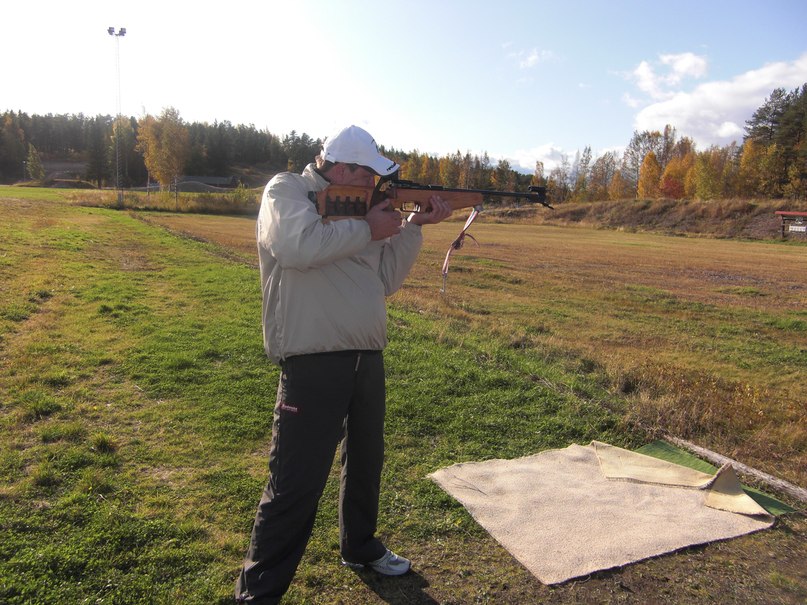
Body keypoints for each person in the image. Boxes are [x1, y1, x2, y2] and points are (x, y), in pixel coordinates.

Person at [235, 125, 452, 604]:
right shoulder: (287, 189)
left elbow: (384, 280)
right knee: (294, 484)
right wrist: (366, 228)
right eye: (368, 174)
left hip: (366, 355)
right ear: (344, 168)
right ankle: (257, 595)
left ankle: (361, 546)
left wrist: (412, 228)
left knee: (366, 463)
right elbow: (296, 246)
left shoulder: (360, 211)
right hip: (312, 361)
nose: (374, 186)